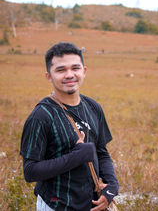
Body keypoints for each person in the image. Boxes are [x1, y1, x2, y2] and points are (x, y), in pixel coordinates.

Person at [20, 42, 119, 211]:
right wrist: (75, 157)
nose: (69, 75)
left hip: (90, 203)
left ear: (84, 71)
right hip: (56, 205)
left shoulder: (93, 107)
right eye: (60, 70)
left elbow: (101, 152)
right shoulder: (41, 116)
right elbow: (30, 171)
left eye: (75, 68)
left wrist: (111, 186)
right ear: (48, 76)